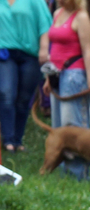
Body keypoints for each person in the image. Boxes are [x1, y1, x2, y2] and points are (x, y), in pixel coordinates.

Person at [45, 0, 90, 178]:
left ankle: (78, 175)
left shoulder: (81, 17)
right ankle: (63, 173)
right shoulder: (57, 13)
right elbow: (54, 47)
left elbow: (88, 52)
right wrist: (48, 79)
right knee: (59, 128)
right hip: (57, 75)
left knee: (74, 128)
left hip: (74, 76)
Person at [0, 0, 50, 153]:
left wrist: (44, 48)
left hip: (30, 55)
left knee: (23, 99)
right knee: (6, 93)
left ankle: (17, 140)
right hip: (5, 54)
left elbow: (45, 25)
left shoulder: (35, 1)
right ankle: (8, 139)